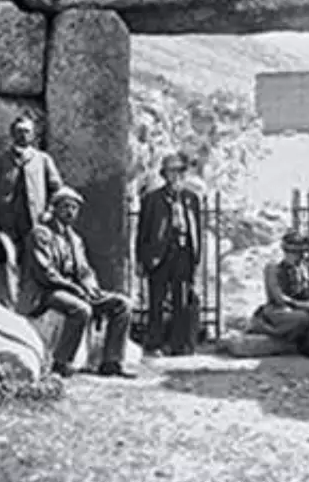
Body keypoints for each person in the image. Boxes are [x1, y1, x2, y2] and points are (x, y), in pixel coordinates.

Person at [27, 188, 133, 378]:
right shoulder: (41, 235)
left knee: (122, 305)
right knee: (81, 309)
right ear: (55, 208)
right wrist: (74, 288)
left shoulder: (75, 239)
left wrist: (92, 288)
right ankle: (61, 363)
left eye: (74, 208)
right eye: (65, 206)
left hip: (74, 290)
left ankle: (111, 361)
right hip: (47, 291)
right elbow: (45, 273)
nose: (70, 211)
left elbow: (84, 270)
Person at [0, 114, 63, 312]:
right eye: (18, 131)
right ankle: (8, 308)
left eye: (27, 131)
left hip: (34, 225)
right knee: (8, 264)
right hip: (7, 224)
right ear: (12, 134)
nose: (22, 135)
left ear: (33, 135)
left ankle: (26, 309)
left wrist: (49, 212)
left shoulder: (43, 160)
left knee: (33, 268)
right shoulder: (1, 161)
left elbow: (57, 189)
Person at [135, 153, 205, 356]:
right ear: (164, 175)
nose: (175, 176)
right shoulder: (152, 199)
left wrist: (196, 255)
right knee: (156, 300)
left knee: (180, 300)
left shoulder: (191, 198)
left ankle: (178, 344)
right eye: (171, 172)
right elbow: (143, 232)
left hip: (183, 253)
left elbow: (196, 229)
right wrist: (141, 258)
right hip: (160, 254)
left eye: (179, 171)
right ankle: (154, 342)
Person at [248, 229, 309, 358]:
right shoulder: (273, 268)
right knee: (303, 318)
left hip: (300, 307)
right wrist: (304, 305)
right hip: (278, 310)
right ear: (286, 251)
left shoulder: (302, 268)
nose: (299, 256)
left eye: (300, 252)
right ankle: (263, 328)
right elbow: (279, 298)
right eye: (295, 252)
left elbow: (305, 292)